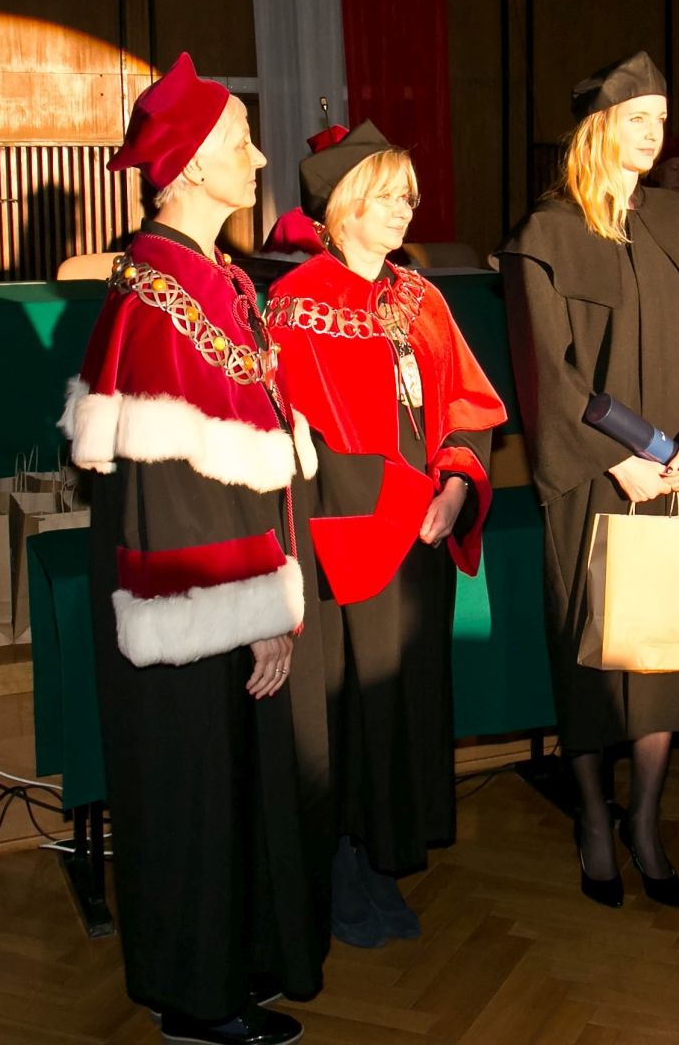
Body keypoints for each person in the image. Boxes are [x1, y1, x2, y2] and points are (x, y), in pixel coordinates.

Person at [61, 53, 327, 1045]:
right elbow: (174, 485)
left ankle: (228, 970)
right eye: (240, 141)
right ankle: (195, 999)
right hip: (191, 592)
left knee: (223, 786)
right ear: (187, 165)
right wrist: (252, 609)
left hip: (221, 581)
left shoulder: (208, 279)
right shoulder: (162, 296)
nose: (258, 159)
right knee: (189, 790)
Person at [498, 50, 679, 910]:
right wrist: (612, 458)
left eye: (661, 121)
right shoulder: (545, 234)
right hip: (594, 477)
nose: (654, 136)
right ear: (596, 129)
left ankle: (644, 820)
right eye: (637, 120)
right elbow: (544, 369)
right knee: (591, 662)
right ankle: (592, 819)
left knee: (661, 660)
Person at [266, 120, 508, 947]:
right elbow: (292, 443)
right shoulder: (295, 304)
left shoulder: (422, 297)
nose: (406, 209)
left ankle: (382, 858)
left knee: (407, 701)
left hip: (419, 540)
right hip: (343, 544)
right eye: (388, 196)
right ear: (342, 207)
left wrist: (457, 482)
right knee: (349, 709)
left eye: (409, 194)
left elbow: (469, 407)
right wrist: (390, 499)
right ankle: (339, 862)